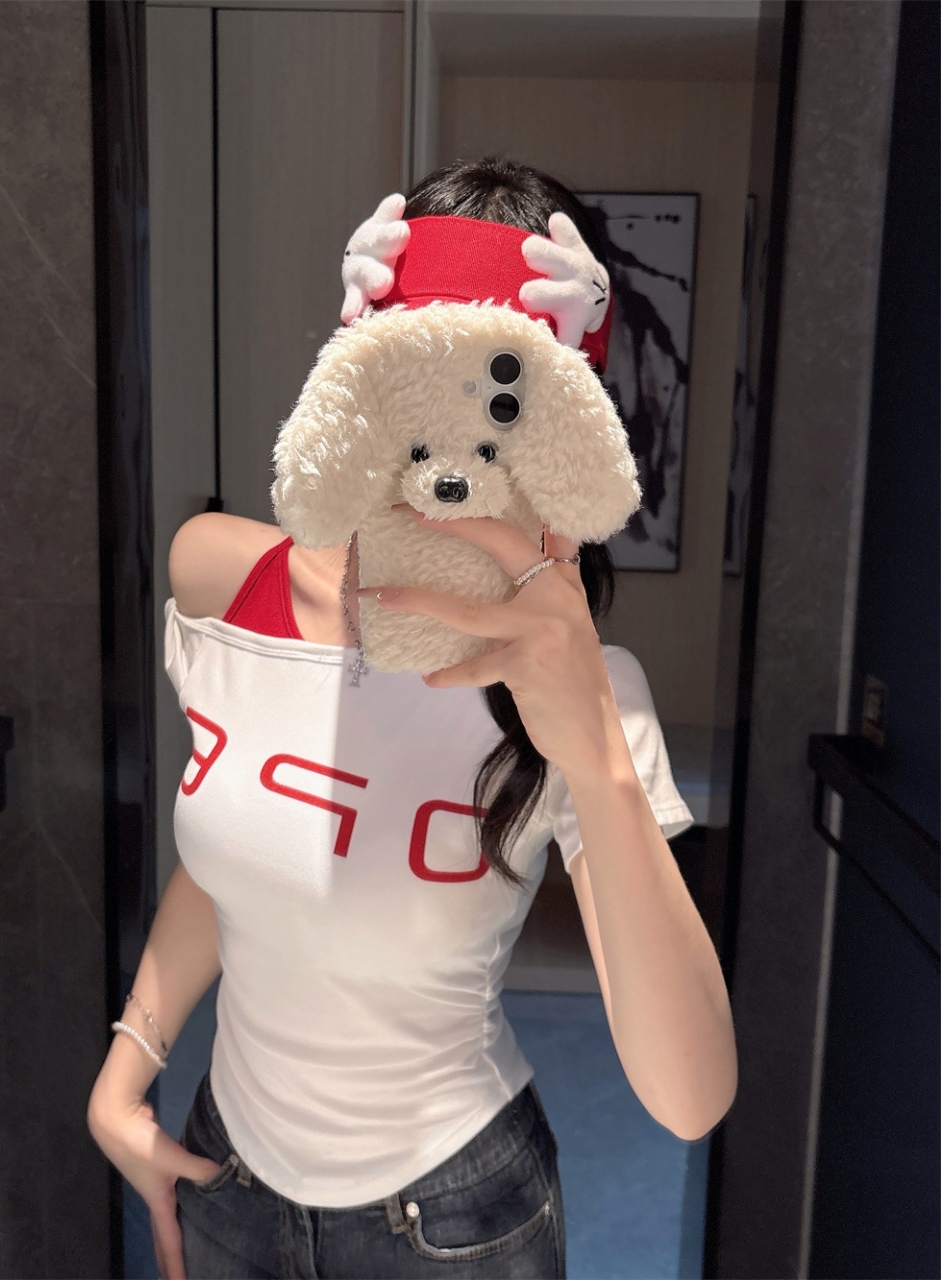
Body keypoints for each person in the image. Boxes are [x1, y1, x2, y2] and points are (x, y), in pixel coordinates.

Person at [87, 157, 737, 1280]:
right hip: (227, 1181)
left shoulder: (586, 690)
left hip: (455, 1219)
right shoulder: (224, 581)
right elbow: (240, 850)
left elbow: (689, 1097)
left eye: (502, 413)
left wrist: (594, 752)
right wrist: (126, 1066)